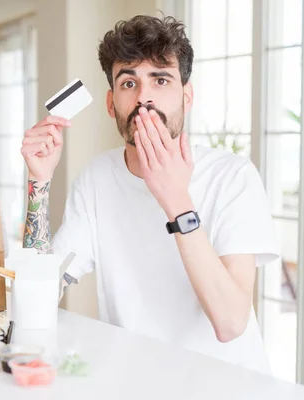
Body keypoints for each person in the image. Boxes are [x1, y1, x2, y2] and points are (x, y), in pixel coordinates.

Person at [20, 15, 279, 374]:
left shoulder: (233, 177)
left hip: (229, 387)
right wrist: (39, 181)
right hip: (137, 382)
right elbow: (37, 295)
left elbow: (231, 323)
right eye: (129, 82)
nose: (144, 98)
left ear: (186, 97)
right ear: (112, 104)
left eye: (160, 79)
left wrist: (175, 200)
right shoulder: (96, 180)